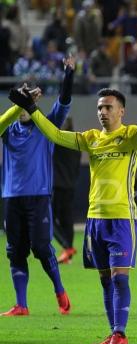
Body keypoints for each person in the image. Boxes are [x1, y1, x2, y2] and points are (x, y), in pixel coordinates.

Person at [8, 83, 137, 344]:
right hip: (95, 220)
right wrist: (31, 109)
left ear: (121, 111)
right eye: (100, 108)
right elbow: (56, 135)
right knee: (105, 279)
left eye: (108, 107)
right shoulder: (91, 138)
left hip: (122, 219)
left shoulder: (131, 136)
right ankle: (112, 332)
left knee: (119, 277)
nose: (103, 112)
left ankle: (121, 332)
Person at [0, 57, 75, 317]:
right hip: (11, 198)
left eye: (25, 104)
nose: (21, 110)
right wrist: (19, 102)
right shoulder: (8, 130)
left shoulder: (46, 126)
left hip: (39, 197)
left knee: (42, 248)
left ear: (33, 104)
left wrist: (69, 74)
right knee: (15, 251)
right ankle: (21, 304)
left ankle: (59, 289)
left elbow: (64, 103)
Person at [53, 116, 81, 264]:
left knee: (48, 218)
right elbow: (77, 168)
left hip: (56, 186)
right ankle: (67, 255)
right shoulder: (76, 143)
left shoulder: (58, 141)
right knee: (67, 220)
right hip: (70, 186)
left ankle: (67, 247)